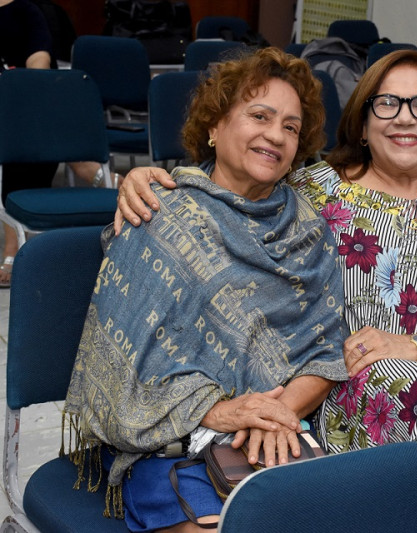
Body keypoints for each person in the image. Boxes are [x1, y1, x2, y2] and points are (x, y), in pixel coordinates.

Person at [116, 50, 417, 533]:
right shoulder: (315, 188)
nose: (406, 117)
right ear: (362, 125)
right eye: (387, 104)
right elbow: (229, 198)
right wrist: (146, 180)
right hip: (336, 391)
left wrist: (410, 347)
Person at [64, 47, 349, 532]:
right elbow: (126, 375)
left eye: (291, 127)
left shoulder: (308, 230)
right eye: (259, 116)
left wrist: (271, 413)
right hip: (170, 448)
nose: (275, 135)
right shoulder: (158, 214)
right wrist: (220, 412)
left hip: (283, 437)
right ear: (214, 128)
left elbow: (327, 351)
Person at [0, 0, 105, 288]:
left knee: (20, 122)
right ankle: (84, 164)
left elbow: (39, 64)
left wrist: (17, 95)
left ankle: (12, 245)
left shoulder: (26, 10)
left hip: (31, 104)